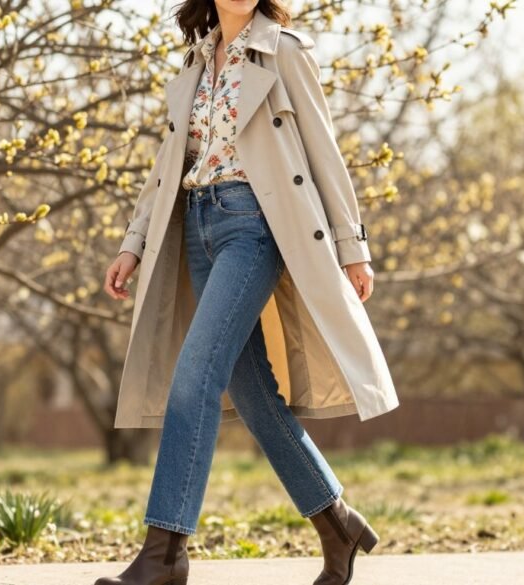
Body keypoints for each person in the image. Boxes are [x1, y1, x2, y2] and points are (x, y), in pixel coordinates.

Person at [101, 1, 399, 583]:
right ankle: (338, 523)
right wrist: (133, 242)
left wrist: (352, 245)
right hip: (196, 226)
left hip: (254, 226)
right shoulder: (194, 60)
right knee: (255, 396)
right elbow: (167, 165)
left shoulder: (285, 51)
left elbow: (324, 152)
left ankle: (165, 553)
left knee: (195, 377)